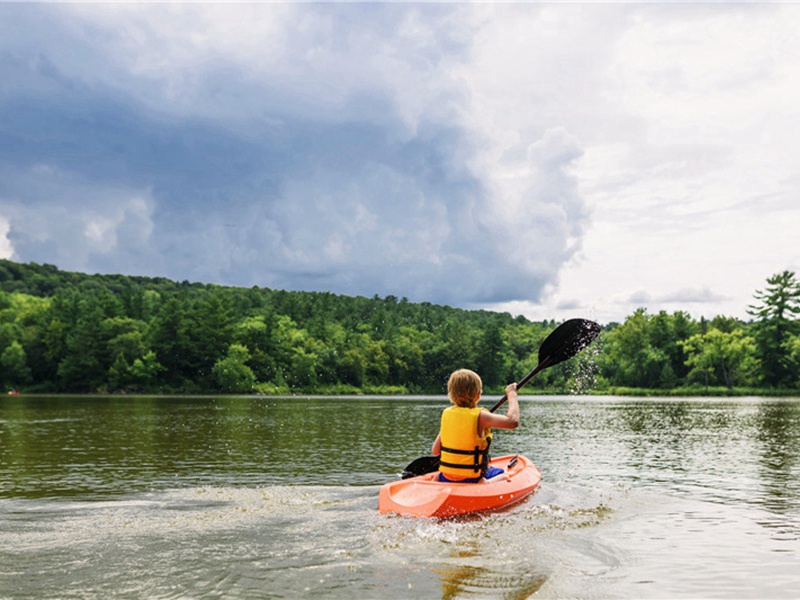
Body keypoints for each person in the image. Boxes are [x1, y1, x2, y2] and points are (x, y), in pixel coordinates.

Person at [431, 368, 519, 483]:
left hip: (445, 477)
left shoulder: (447, 414)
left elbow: (435, 451)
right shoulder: (481, 416)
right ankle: (486, 483)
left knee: (437, 476)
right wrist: (512, 394)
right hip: (472, 479)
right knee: (504, 475)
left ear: (451, 394)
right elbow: (513, 422)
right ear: (478, 395)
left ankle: (436, 484)